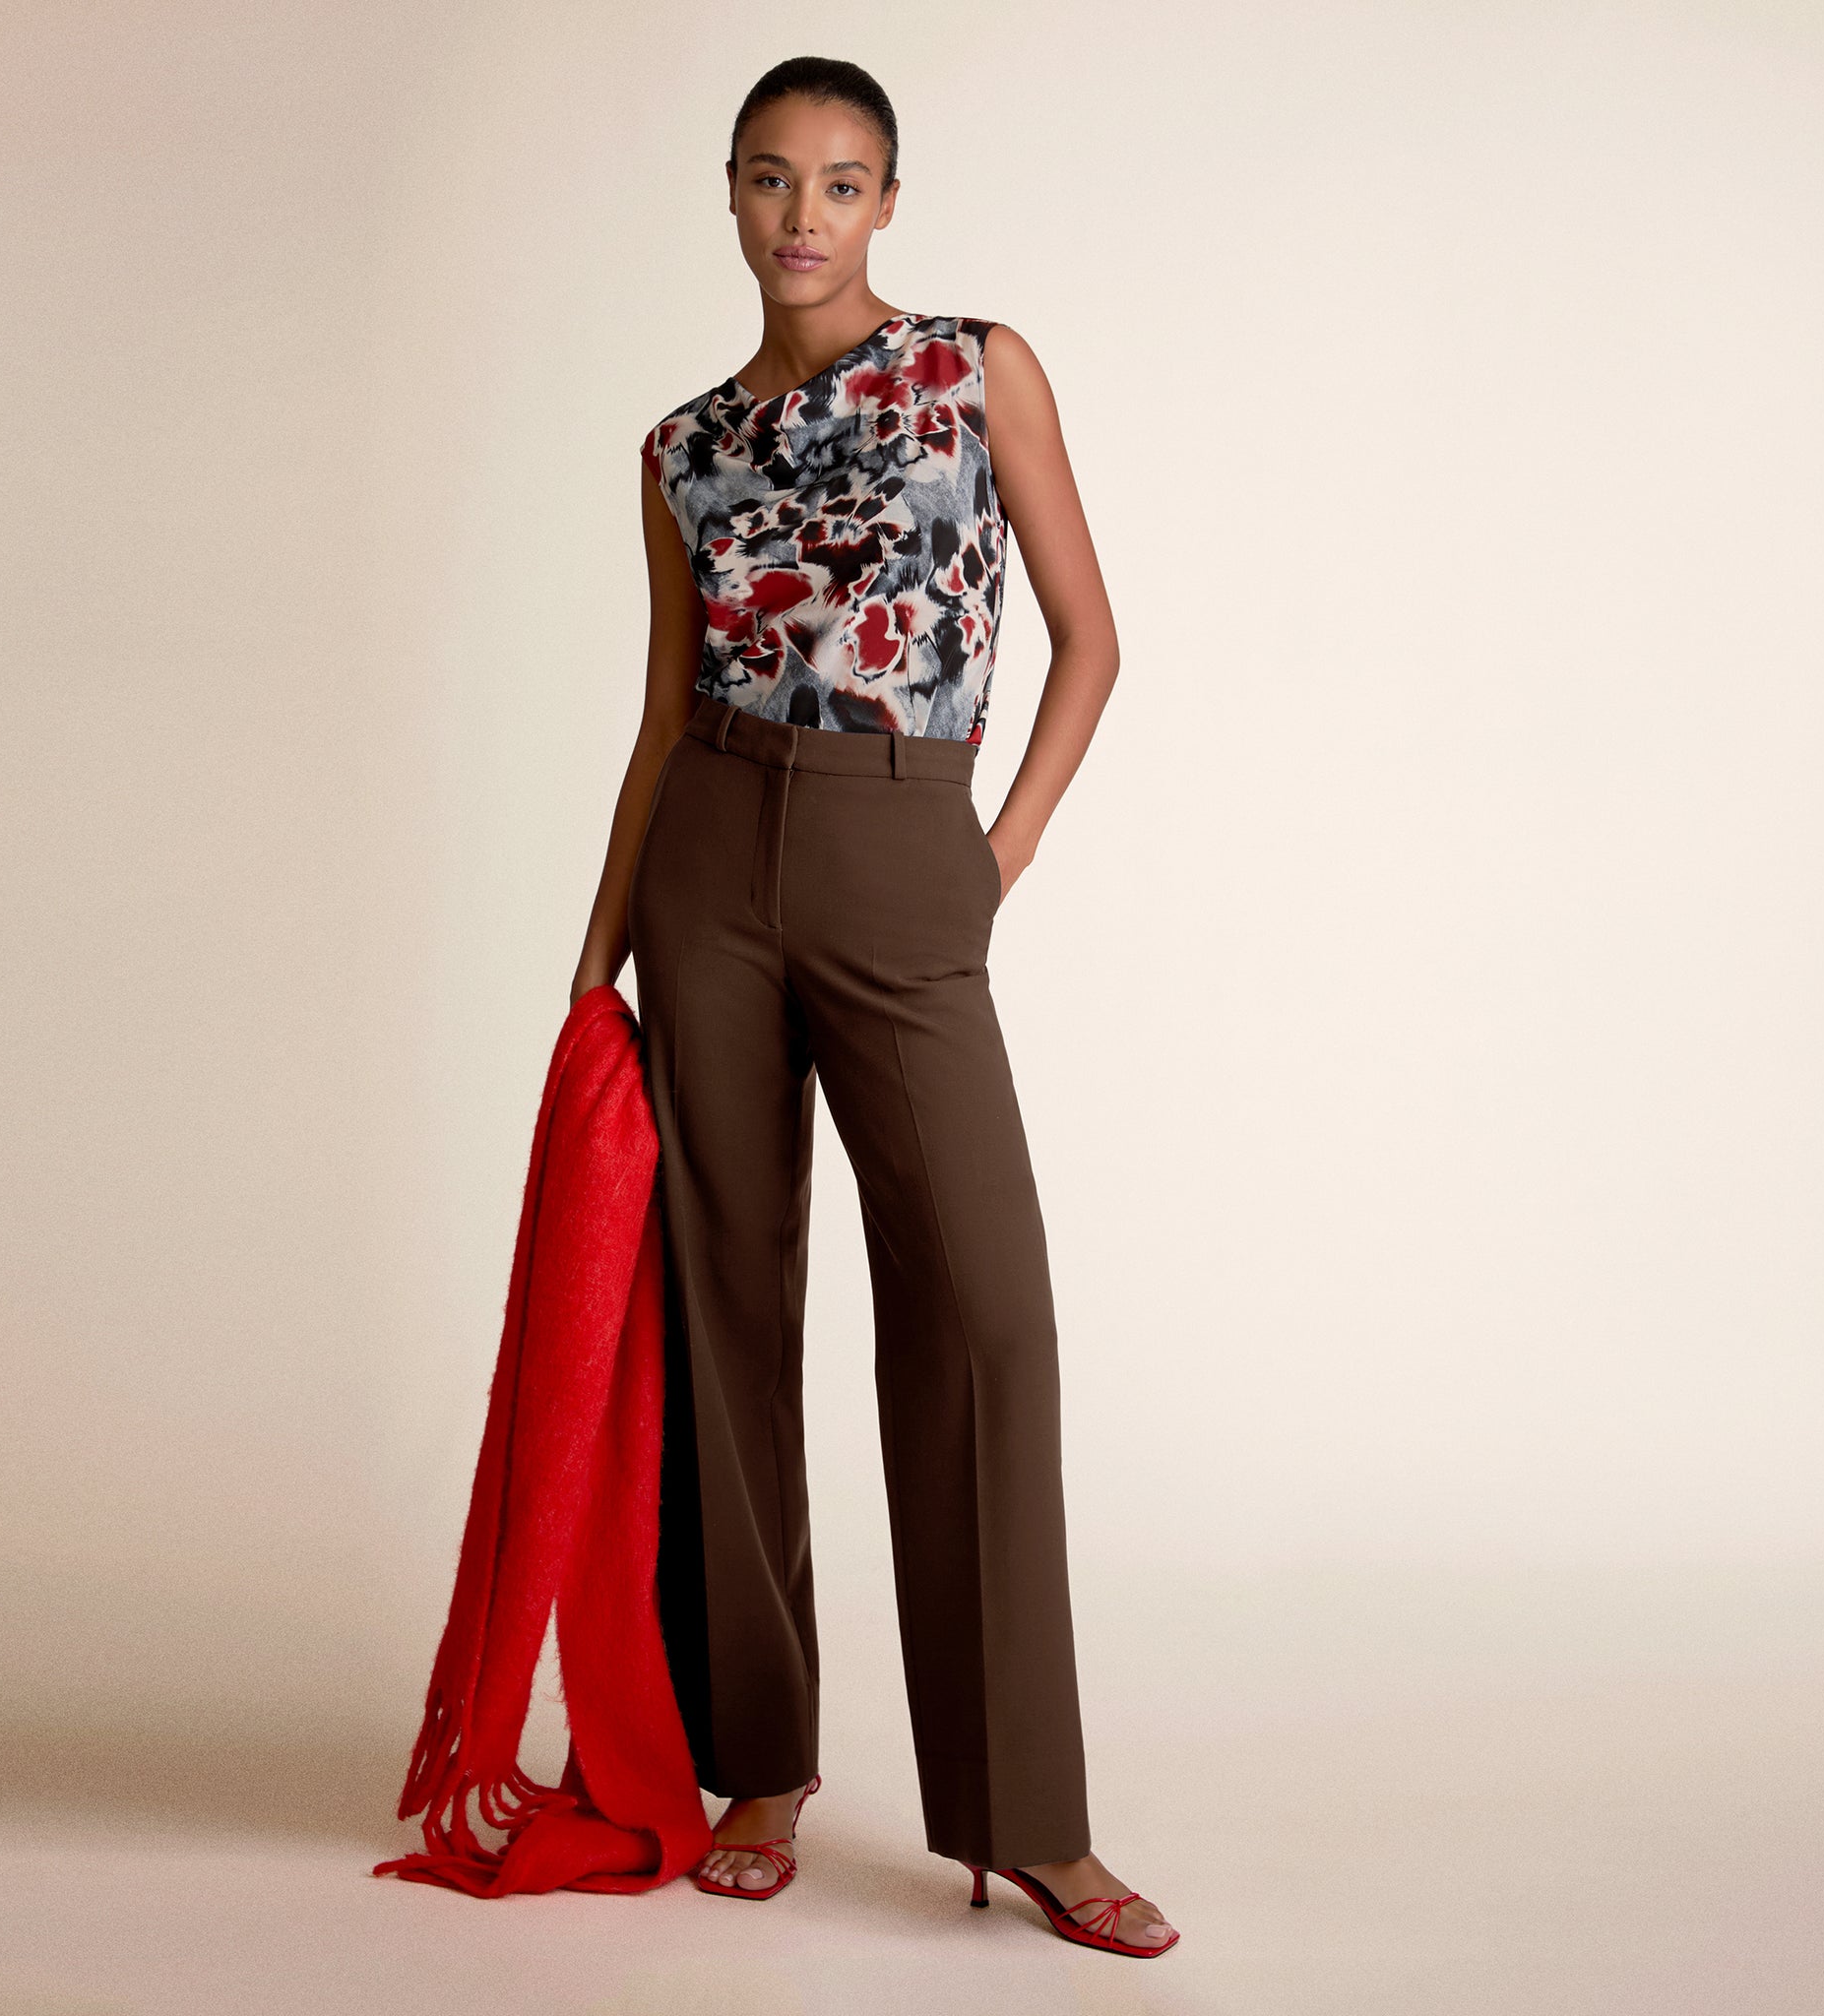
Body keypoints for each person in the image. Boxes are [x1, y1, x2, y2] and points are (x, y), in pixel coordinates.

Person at [568, 56, 1176, 1960]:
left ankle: (1030, 1820)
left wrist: (985, 862)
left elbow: (1090, 639)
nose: (803, 215)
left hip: (908, 850)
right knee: (727, 1302)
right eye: (770, 180)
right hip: (710, 863)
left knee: (986, 1310)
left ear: (889, 202)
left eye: (842, 182)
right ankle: (763, 1760)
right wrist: (596, 955)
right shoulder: (678, 447)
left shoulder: (974, 367)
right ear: (730, 200)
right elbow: (666, 714)